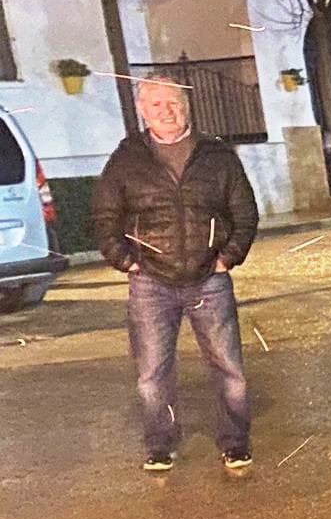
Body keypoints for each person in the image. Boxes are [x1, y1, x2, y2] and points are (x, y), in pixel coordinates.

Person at [90, 76, 260, 473]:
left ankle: (235, 443)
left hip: (210, 279)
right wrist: (126, 261)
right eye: (155, 105)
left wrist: (228, 258)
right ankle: (160, 443)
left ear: (187, 106)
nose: (166, 111)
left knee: (229, 369)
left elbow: (245, 213)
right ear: (142, 111)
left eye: (173, 102)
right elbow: (104, 216)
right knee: (152, 372)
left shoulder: (217, 156)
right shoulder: (127, 158)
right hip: (150, 282)